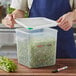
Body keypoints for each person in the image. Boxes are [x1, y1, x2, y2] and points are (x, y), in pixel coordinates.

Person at [2, 0, 76, 58]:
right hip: (35, 44)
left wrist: (72, 16)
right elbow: (20, 10)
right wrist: (13, 17)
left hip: (64, 46)